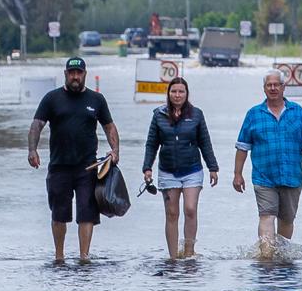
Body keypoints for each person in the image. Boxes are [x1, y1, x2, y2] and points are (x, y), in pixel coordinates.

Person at [28, 57, 120, 263]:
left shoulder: (97, 100)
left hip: (88, 167)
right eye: (72, 73)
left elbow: (109, 126)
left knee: (87, 213)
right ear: (66, 74)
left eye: (79, 73)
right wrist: (32, 150)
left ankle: (84, 256)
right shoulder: (52, 99)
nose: (75, 76)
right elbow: (37, 124)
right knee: (59, 213)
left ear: (85, 74)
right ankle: (59, 256)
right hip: (59, 166)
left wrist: (115, 150)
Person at [233, 69, 302, 246]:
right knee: (266, 215)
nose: (273, 88)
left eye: (276, 85)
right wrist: (237, 174)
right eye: (269, 85)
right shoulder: (254, 114)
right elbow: (242, 147)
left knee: (287, 220)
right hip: (264, 176)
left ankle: (282, 256)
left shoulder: (297, 112)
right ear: (264, 89)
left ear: (283, 87)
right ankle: (267, 257)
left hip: (292, 175)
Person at [141, 76, 218, 259]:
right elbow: (151, 143)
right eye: (174, 91)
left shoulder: (196, 114)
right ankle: (173, 257)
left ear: (186, 94)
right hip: (168, 171)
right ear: (168, 93)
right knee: (172, 213)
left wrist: (212, 167)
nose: (177, 95)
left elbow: (205, 142)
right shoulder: (159, 115)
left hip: (192, 169)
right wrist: (147, 168)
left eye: (181, 91)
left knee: (190, 209)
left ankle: (190, 253)